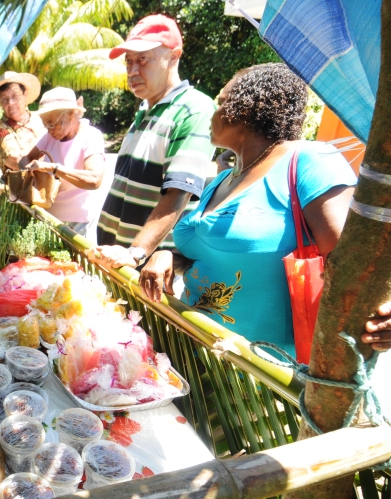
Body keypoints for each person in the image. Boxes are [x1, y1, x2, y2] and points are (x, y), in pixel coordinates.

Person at [136, 63, 356, 354]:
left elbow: (352, 269)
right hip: (194, 353)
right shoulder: (225, 179)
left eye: (221, 102)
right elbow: (208, 257)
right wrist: (166, 256)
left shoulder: (310, 161)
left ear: (249, 107)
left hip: (262, 377)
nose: (212, 114)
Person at [92, 14, 216, 269]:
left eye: (143, 59)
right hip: (118, 260)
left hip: (149, 269)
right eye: (128, 62)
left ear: (174, 55)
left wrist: (138, 251)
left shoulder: (194, 108)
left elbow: (179, 192)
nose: (133, 71)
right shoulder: (145, 109)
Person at [19, 87, 106, 244]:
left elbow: (95, 179)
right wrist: (32, 174)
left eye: (53, 124)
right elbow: (24, 159)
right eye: (46, 125)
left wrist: (54, 168)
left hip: (78, 224)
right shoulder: (50, 137)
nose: (50, 131)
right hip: (49, 219)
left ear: (71, 114)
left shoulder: (91, 136)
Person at [0, 71, 46, 172]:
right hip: (24, 186)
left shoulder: (41, 118)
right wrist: (48, 143)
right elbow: (19, 161)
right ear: (0, 103)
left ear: (25, 95)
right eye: (5, 99)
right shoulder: (0, 128)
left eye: (15, 96)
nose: (11, 103)